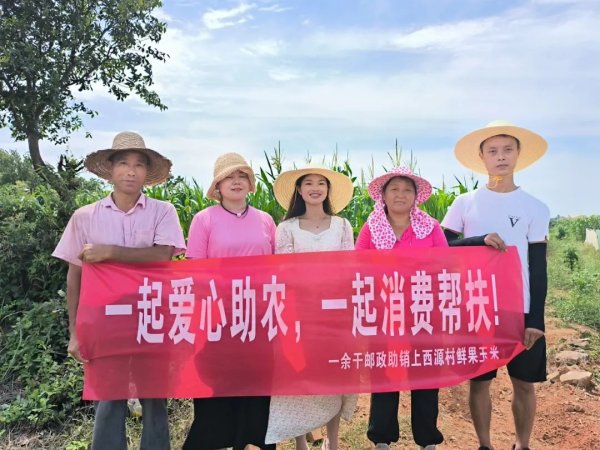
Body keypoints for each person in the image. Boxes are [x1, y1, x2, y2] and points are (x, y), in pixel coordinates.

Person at [52, 131, 186, 450]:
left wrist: (109, 252)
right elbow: (75, 275)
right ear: (110, 170)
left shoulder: (163, 211)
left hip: (152, 316)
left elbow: (162, 255)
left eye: (139, 165)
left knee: (154, 395)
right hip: (105, 320)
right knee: (109, 396)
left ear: (147, 173)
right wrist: (74, 332)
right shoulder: (85, 216)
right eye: (123, 163)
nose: (130, 171)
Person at [441, 120, 550, 450]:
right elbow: (441, 247)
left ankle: (522, 444)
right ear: (482, 157)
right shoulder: (464, 203)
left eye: (507, 150)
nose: (500, 156)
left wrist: (536, 319)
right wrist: (478, 240)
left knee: (524, 383)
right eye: (492, 151)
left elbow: (538, 267)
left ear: (518, 154)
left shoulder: (535, 207)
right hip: (477, 307)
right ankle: (485, 444)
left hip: (521, 308)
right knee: (480, 383)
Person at [182, 152, 276, 450]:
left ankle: (253, 441)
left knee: (256, 383)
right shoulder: (204, 220)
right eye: (229, 177)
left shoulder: (265, 220)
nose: (236, 182)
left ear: (250, 184)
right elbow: (195, 268)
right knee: (217, 384)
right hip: (217, 316)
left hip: (258, 315)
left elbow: (277, 267)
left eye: (242, 176)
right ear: (218, 186)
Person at [265, 165, 358, 450]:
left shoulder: (342, 225)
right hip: (299, 312)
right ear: (299, 190)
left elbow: (349, 269)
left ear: (328, 190)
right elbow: (284, 271)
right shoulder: (286, 228)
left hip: (335, 313)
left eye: (321, 183)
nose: (315, 188)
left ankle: (333, 441)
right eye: (308, 183)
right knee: (298, 374)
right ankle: (300, 442)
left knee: (334, 374)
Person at [355, 166, 447, 450]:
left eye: (407, 189)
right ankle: (381, 438)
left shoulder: (430, 227)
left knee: (426, 376)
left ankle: (427, 439)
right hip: (384, 313)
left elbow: (445, 265)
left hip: (424, 311)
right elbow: (357, 267)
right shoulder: (371, 228)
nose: (400, 194)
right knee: (384, 375)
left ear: (416, 196)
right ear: (382, 195)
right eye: (394, 189)